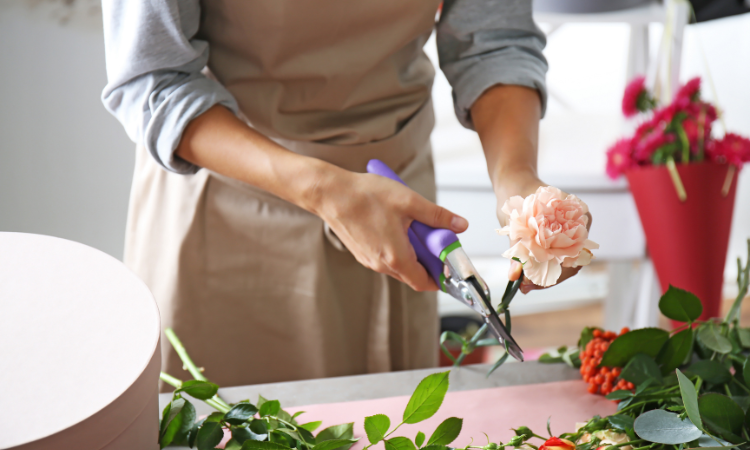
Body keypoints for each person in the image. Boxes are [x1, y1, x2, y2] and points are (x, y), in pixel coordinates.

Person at [101, 0, 585, 389]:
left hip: (400, 204)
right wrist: (322, 188)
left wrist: (517, 180)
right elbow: (153, 80)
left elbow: (494, 40)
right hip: (228, 212)